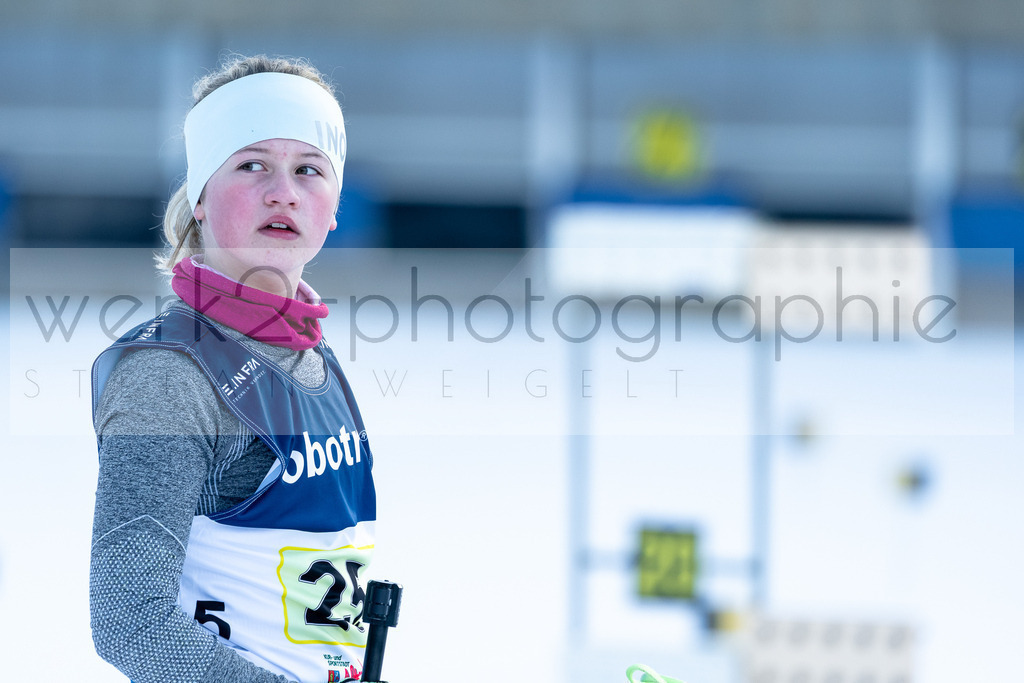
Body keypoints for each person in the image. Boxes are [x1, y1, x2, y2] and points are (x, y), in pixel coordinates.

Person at [90, 54, 376, 683]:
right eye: (252, 165)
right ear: (199, 197)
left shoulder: (312, 356)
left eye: (309, 169)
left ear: (334, 207)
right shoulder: (169, 376)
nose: (283, 192)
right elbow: (129, 620)